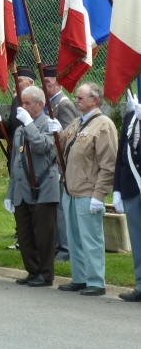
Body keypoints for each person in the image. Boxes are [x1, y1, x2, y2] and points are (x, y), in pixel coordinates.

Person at [54, 82, 117, 296]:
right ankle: (80, 278)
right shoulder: (76, 123)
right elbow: (63, 150)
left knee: (91, 239)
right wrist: (57, 134)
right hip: (70, 189)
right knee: (74, 238)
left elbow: (108, 164)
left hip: (88, 192)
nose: (76, 101)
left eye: (81, 98)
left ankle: (96, 281)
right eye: (77, 97)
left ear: (94, 100)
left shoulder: (103, 125)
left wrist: (100, 195)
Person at [4, 86, 59, 287]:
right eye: (22, 103)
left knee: (43, 235)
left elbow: (42, 146)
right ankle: (33, 270)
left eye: (27, 103)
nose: (23, 107)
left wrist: (29, 124)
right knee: (25, 235)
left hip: (43, 188)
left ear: (40, 104)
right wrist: (10, 193)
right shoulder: (19, 129)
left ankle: (45, 274)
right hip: (22, 189)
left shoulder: (50, 125)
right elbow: (15, 163)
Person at [42, 64, 78, 262]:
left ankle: (64, 248)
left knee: (61, 209)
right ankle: (57, 245)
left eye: (47, 83)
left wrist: (61, 164)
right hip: (49, 163)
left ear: (57, 84)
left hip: (60, 164)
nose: (44, 86)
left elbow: (68, 135)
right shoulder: (50, 103)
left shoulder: (63, 104)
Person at [114, 92, 141, 302]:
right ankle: (140, 284)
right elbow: (122, 155)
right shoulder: (131, 116)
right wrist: (117, 189)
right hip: (132, 188)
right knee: (137, 239)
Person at [0, 66, 36, 149]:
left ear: (30, 83)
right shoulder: (16, 100)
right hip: (14, 148)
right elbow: (12, 126)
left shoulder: (37, 101)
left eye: (19, 81)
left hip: (29, 149)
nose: (15, 85)